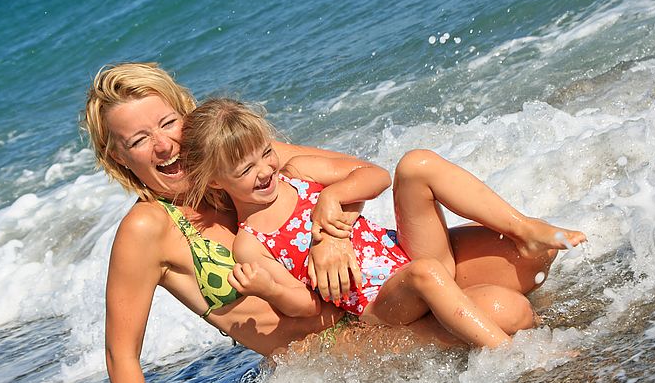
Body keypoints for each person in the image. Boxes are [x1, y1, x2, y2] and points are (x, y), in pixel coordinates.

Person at [81, 62, 579, 383]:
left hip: (379, 272)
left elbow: (357, 174)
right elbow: (121, 354)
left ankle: (502, 265)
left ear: (186, 115)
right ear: (118, 157)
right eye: (139, 140)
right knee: (506, 311)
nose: (164, 144)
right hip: (334, 336)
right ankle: (494, 342)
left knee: (521, 259)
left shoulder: (247, 154)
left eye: (167, 122)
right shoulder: (148, 228)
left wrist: (330, 234)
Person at [181, 98, 585, 348]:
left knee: (416, 164)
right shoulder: (251, 244)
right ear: (216, 181)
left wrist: (332, 196)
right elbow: (305, 306)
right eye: (245, 168)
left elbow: (376, 175)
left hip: (406, 255)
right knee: (430, 276)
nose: (264, 169)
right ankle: (510, 358)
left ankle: (524, 229)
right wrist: (268, 288)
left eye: (265, 153)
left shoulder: (299, 172)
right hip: (380, 304)